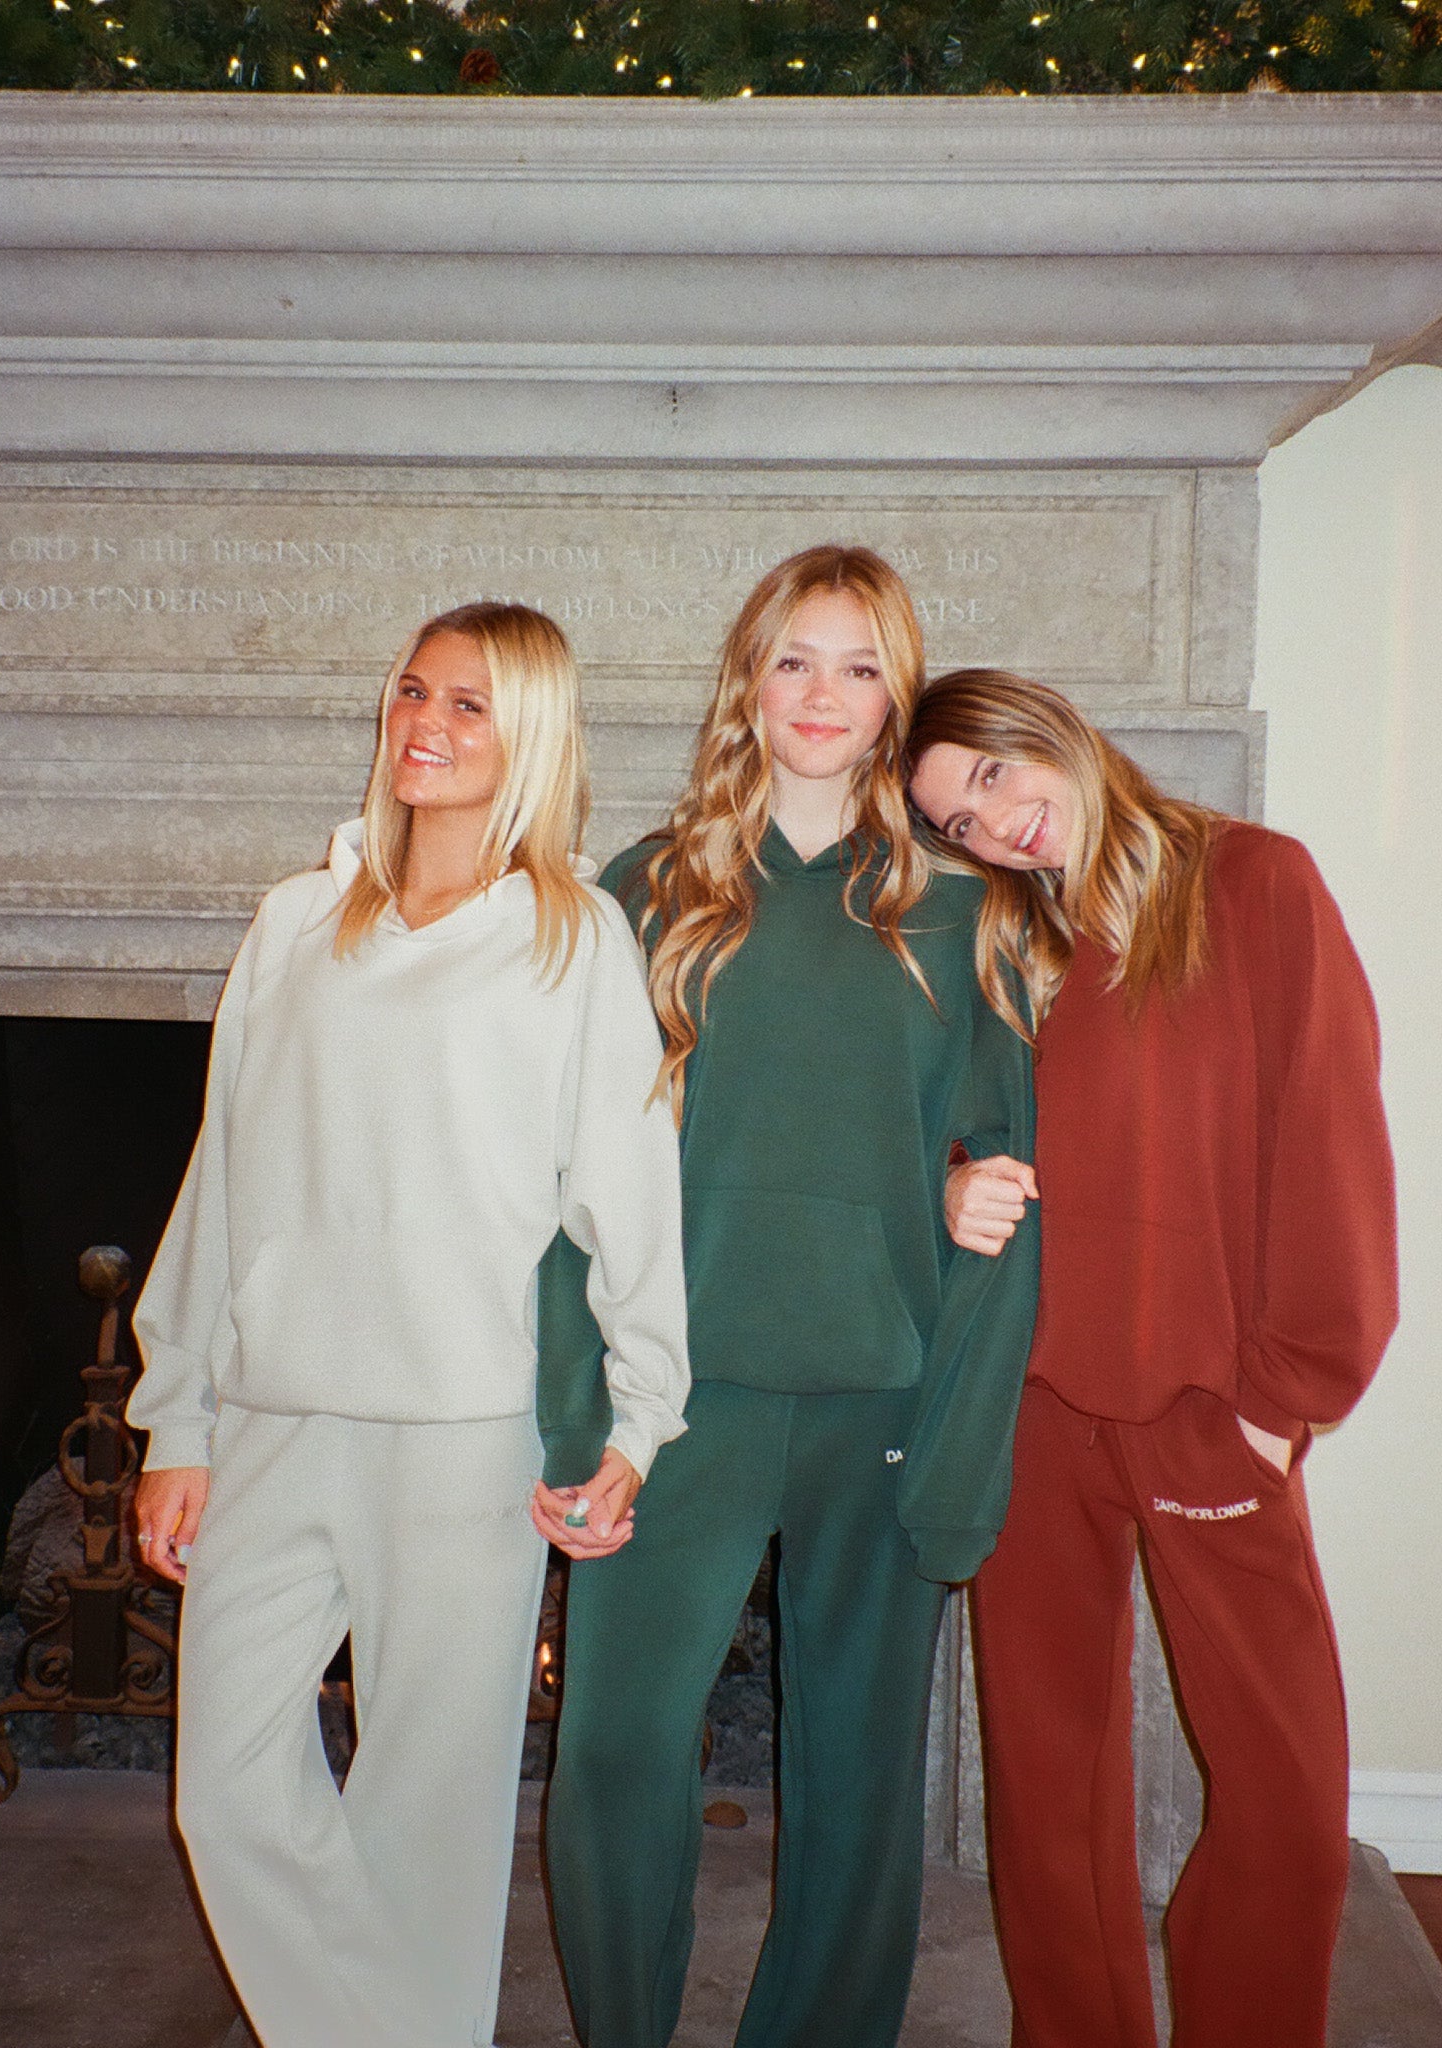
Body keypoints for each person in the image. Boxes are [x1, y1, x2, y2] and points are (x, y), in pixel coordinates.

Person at [126, 602, 690, 2048]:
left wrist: (638, 1424)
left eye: (472, 705)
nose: (426, 724)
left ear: (533, 739)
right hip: (271, 1420)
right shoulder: (295, 921)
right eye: (412, 691)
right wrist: (175, 1419)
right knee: (228, 1793)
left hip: (466, 1436)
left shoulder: (574, 942)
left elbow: (630, 1208)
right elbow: (225, 1175)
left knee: (426, 1825)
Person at [535, 547, 1039, 2048]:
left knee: (858, 1775)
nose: (823, 695)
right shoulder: (639, 892)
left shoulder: (968, 911)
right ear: (748, 682)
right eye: (794, 660)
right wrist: (577, 1422)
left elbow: (1004, 1186)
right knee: (615, 1757)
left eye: (861, 665)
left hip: (878, 1398)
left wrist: (960, 1425)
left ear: (896, 699)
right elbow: (562, 1190)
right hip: (673, 1405)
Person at [905, 667, 1398, 2048]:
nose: (990, 826)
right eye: (953, 820)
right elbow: (923, 1128)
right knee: (1047, 1792)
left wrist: (1284, 1397)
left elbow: (1329, 1142)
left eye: (991, 777)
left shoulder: (1251, 886)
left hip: (1206, 1409)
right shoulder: (997, 946)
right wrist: (947, 1185)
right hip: (1029, 1409)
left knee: (1284, 1807)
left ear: (1043, 731)